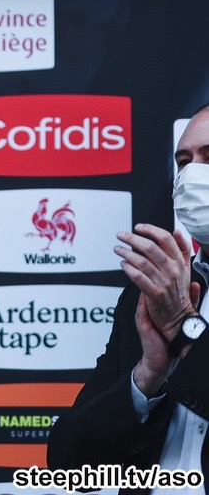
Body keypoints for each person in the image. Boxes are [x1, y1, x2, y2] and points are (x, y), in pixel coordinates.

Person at [48, 105, 209, 495]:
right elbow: (69, 465)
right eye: (184, 162)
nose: (193, 174)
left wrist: (183, 328)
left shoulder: (171, 305)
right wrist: (146, 377)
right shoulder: (152, 294)